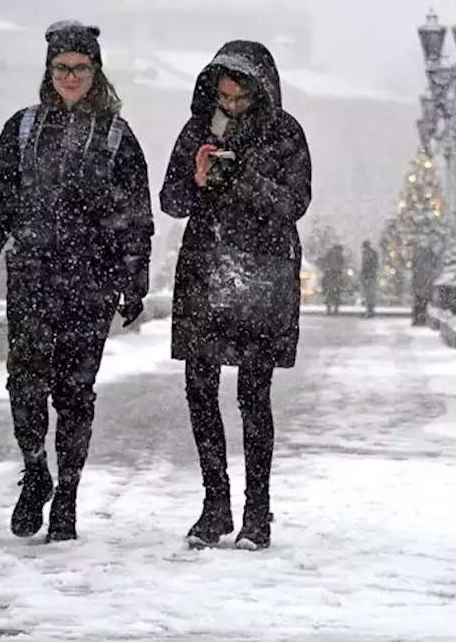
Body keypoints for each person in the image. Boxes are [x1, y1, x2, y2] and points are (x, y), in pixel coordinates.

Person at [0, 20, 154, 543]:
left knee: (74, 393)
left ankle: (67, 494)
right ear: (49, 72)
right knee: (24, 385)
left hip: (91, 283)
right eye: (62, 67)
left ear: (96, 72)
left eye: (81, 68)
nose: (71, 76)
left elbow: (136, 216)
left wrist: (134, 279)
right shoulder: (22, 129)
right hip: (32, 278)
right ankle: (35, 469)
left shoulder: (116, 136)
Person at [160, 39, 312, 551]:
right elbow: (171, 200)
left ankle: (257, 511)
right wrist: (199, 178)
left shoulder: (286, 133)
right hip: (205, 269)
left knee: (253, 396)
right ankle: (214, 503)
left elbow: (294, 202)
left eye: (240, 99)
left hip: (262, 274)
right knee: (199, 390)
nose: (231, 106)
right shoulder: (197, 129)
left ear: (260, 92)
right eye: (223, 97)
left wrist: (241, 176)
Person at [410, 242, 439, 326]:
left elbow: (414, 269)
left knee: (419, 302)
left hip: (421, 284)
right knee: (423, 302)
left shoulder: (419, 258)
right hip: (425, 284)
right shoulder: (431, 257)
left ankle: (418, 318)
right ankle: (421, 318)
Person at [319, 243, 346, 315]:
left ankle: (329, 309)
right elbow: (341, 265)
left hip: (330, 276)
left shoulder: (329, 254)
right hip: (335, 276)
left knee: (329, 294)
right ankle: (335, 310)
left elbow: (324, 263)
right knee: (336, 294)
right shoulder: (338, 256)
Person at [359, 239, 379, 318]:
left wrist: (363, 274)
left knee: (368, 294)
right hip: (371, 275)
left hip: (368, 276)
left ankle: (370, 311)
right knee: (370, 294)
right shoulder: (373, 252)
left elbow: (366, 265)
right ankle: (370, 310)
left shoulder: (367, 253)